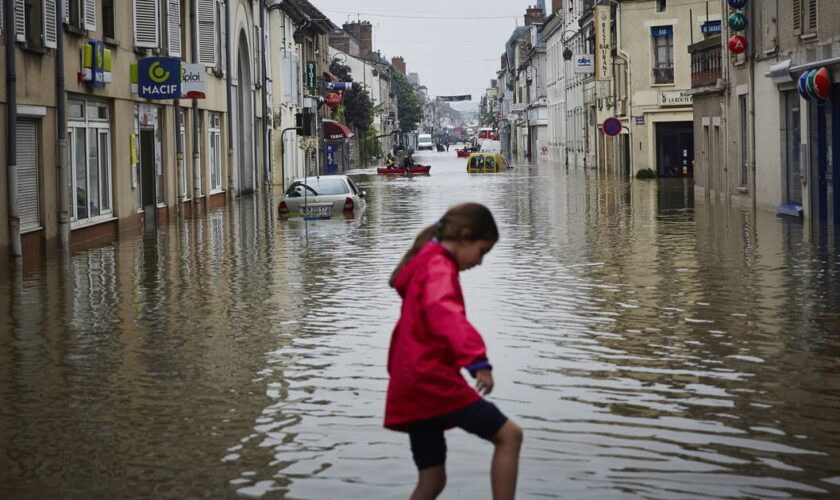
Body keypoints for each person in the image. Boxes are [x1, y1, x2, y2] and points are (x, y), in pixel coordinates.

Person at [385, 203, 523, 500]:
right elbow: (445, 312)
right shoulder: (438, 267)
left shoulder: (425, 261)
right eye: (482, 251)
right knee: (510, 436)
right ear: (465, 236)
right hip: (431, 381)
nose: (481, 262)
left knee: (432, 479)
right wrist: (478, 362)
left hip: (411, 383)